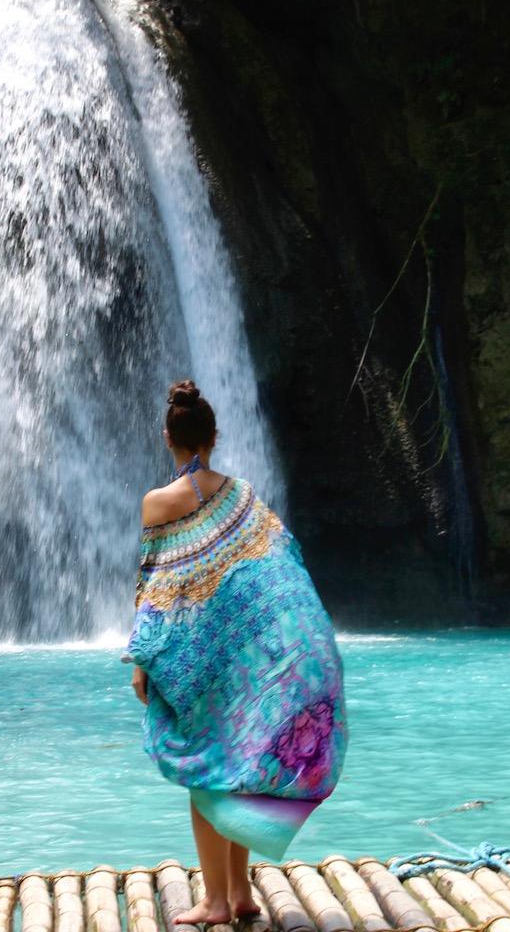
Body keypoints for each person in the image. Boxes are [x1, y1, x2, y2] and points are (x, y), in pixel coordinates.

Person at [122, 379, 348, 927]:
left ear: (166, 437)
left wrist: (141, 661)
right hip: (250, 657)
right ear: (214, 435)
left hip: (199, 659)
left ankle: (216, 902)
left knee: (205, 769)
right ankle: (242, 894)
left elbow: (155, 589)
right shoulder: (243, 495)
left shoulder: (159, 502)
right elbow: (280, 564)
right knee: (240, 762)